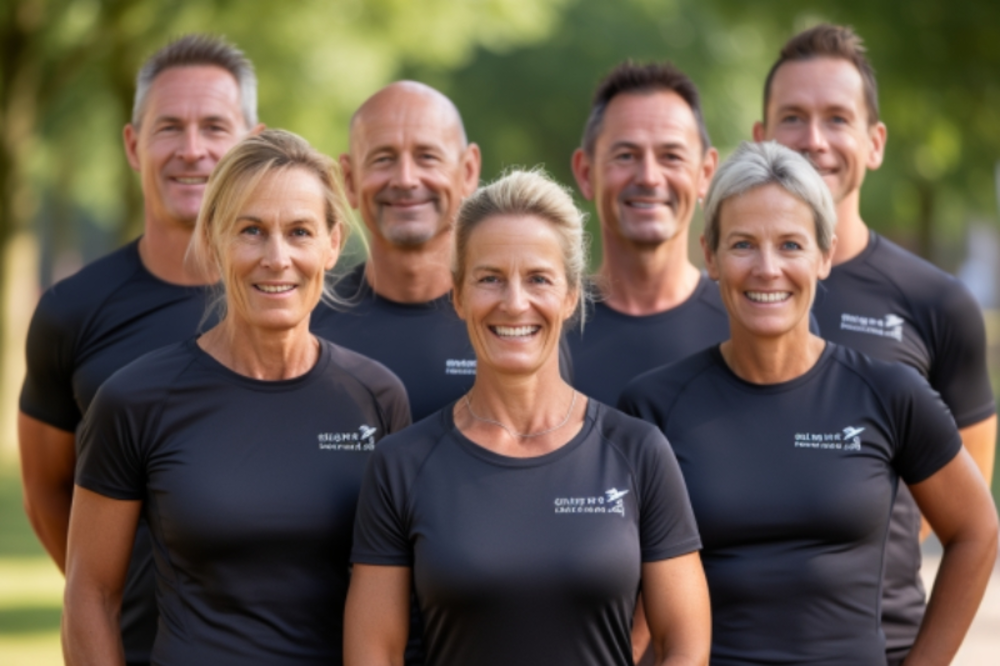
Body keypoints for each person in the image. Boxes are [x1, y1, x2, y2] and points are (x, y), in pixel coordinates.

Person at [620, 141, 998, 665]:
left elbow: (977, 530)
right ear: (710, 255)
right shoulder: (654, 405)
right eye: (743, 244)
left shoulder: (889, 393)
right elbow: (623, 590)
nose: (767, 268)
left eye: (791, 245)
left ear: (824, 256)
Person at [62, 129, 410, 665]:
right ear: (213, 240)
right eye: (251, 231)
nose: (277, 257)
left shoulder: (378, 398)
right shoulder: (135, 400)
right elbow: (89, 595)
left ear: (332, 243)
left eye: (299, 232)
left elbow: (397, 605)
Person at [345, 169, 710, 666]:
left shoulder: (638, 452)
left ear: (571, 295)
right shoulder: (401, 464)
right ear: (458, 295)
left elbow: (684, 643)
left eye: (538, 279)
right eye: (490, 278)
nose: (515, 303)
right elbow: (373, 653)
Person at [752, 24, 997, 664]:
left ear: (875, 142)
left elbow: (963, 504)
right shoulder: (724, 296)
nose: (814, 139)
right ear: (760, 139)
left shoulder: (938, 304)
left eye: (837, 118)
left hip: (881, 643)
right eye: (792, 118)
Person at [18, 34, 263, 665]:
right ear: (132, 145)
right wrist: (109, 603)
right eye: (169, 127)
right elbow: (46, 489)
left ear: (252, 142)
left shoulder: (307, 306)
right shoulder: (71, 311)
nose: (192, 149)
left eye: (215, 126)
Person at [310, 81, 482, 422]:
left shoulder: (512, 317)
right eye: (383, 159)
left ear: (468, 171)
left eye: (427, 157)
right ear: (349, 180)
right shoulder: (306, 326)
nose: (405, 179)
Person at [567, 61, 727, 406]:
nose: (649, 177)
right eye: (626, 156)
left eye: (671, 156)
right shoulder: (546, 331)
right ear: (585, 173)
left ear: (705, 173)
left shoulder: (746, 325)